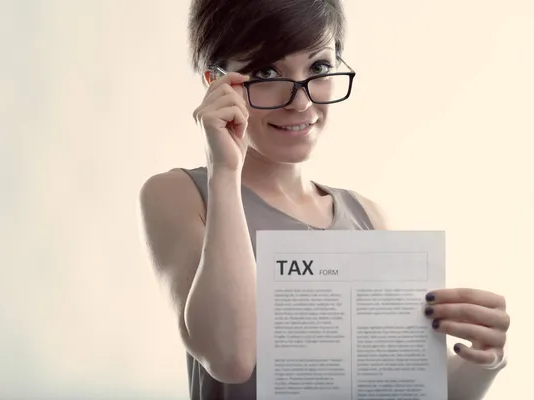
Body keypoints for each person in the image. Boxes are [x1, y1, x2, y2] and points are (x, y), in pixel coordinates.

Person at [138, 0, 511, 399]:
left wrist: (483, 360)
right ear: (215, 82)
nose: (301, 102)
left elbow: (402, 389)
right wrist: (225, 171)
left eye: (318, 67)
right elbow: (230, 359)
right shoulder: (180, 195)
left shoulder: (368, 216)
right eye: (266, 72)